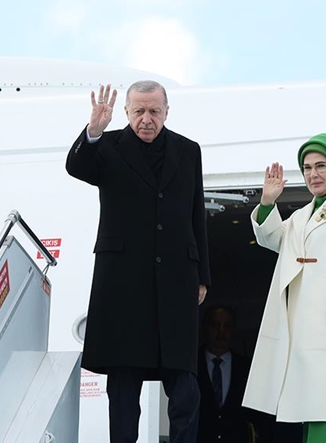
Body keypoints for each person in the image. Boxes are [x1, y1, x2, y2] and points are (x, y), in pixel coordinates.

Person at [66, 81, 211, 443]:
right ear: (127, 112)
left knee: (184, 384)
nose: (147, 119)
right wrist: (94, 131)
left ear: (166, 112)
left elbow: (197, 214)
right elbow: (77, 167)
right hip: (123, 283)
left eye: (154, 111)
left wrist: (202, 275)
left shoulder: (188, 150)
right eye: (139, 111)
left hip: (176, 278)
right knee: (124, 387)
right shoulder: (107, 145)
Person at [243, 133, 326, 443]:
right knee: (310, 410)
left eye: (321, 166)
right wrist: (267, 202)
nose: (313, 174)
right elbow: (273, 239)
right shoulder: (302, 215)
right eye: (307, 168)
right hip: (303, 330)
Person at [197, 304, 255, 443]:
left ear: (233, 330)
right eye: (215, 325)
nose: (221, 331)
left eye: (227, 326)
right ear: (205, 328)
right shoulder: (192, 366)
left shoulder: (247, 368)